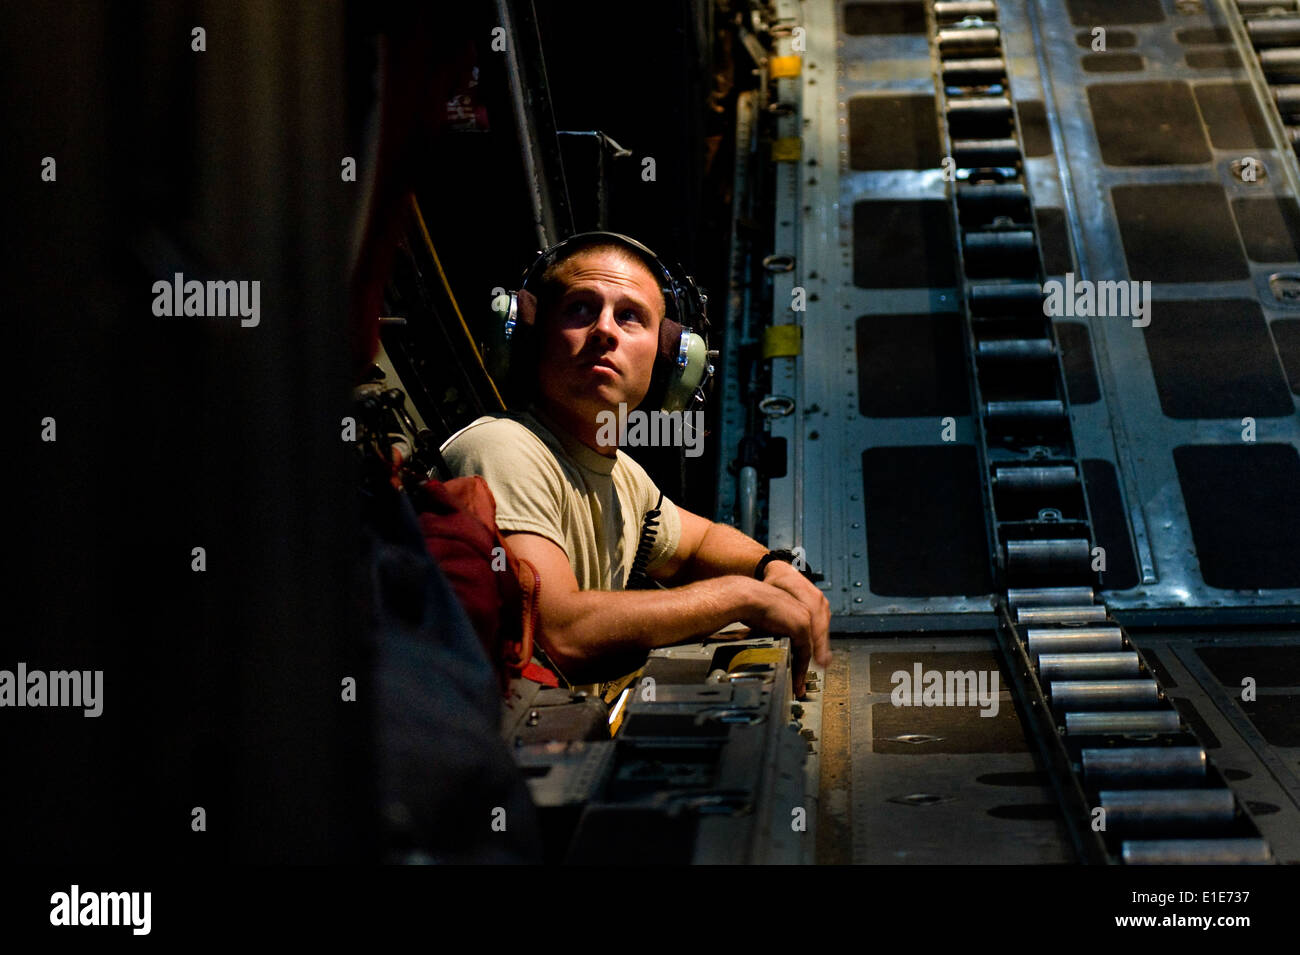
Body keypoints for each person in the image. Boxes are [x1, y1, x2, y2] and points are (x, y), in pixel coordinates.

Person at [441, 235, 830, 697]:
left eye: (630, 316)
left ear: (669, 363)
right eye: (580, 308)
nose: (604, 330)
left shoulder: (622, 475)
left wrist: (771, 566)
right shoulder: (502, 447)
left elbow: (699, 543)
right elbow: (561, 633)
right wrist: (740, 596)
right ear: (531, 338)